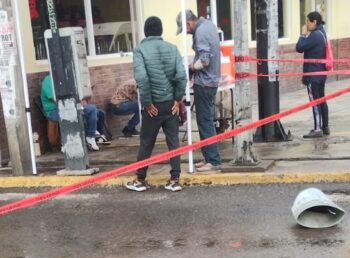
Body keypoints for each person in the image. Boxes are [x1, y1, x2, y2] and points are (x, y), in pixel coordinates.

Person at [125, 16, 187, 192]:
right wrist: (177, 99)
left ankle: (140, 179)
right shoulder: (172, 49)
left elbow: (142, 78)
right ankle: (175, 180)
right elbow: (181, 76)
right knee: (173, 142)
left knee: (146, 142)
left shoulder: (140, 51)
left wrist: (146, 102)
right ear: (161, 31)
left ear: (145, 32)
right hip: (170, 104)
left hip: (153, 106)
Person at [176, 10, 222, 173]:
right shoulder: (209, 25)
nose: (186, 33)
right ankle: (209, 157)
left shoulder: (200, 32)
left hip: (204, 83)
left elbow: (204, 61)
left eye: (185, 29)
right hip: (212, 81)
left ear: (189, 23)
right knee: (206, 120)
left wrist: (190, 68)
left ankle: (213, 160)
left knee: (205, 122)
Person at [40, 76, 111, 151]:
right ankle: (91, 136)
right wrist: (78, 103)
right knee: (91, 109)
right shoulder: (48, 80)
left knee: (100, 113)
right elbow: (58, 101)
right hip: (55, 111)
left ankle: (97, 136)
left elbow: (74, 94)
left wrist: (82, 100)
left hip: (70, 106)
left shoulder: (66, 77)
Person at [296, 11, 330, 138]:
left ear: (314, 22)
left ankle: (317, 129)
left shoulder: (315, 35)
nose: (306, 24)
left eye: (308, 22)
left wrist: (303, 34)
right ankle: (325, 126)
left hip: (313, 75)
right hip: (321, 73)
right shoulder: (322, 33)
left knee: (315, 102)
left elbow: (299, 47)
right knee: (322, 100)